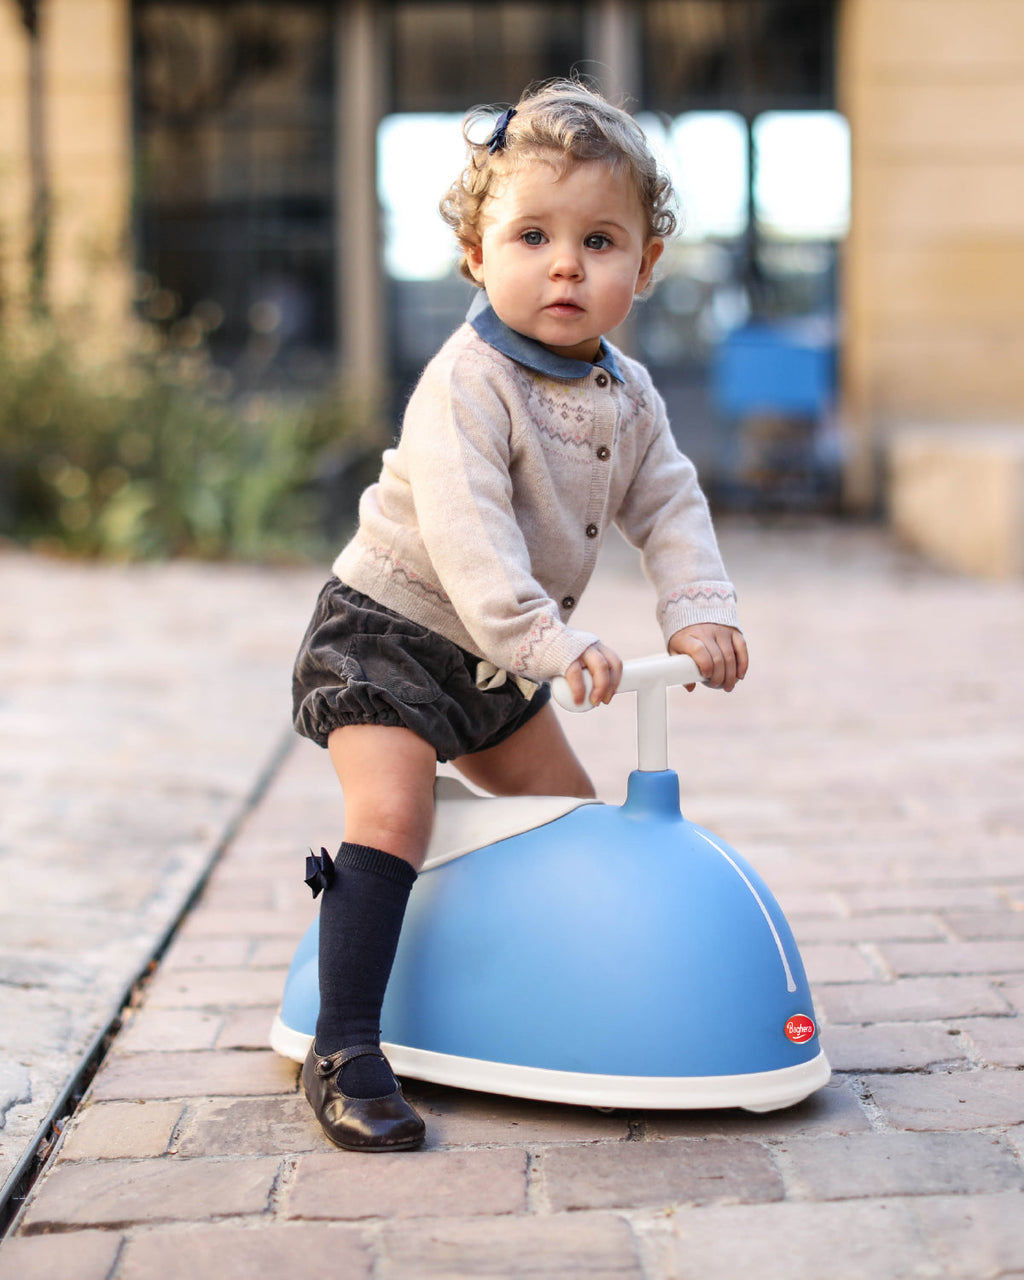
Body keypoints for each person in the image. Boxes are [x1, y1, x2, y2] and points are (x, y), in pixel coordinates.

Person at [291, 78, 748, 1152]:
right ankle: (346, 1043)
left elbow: (669, 500)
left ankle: (534, 991)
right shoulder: (467, 381)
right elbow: (471, 537)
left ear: (643, 268)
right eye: (532, 235)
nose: (564, 265)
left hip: (493, 665)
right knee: (395, 812)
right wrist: (553, 642)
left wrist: (697, 609)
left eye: (599, 241)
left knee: (572, 818)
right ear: (474, 254)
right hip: (387, 633)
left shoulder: (628, 394)